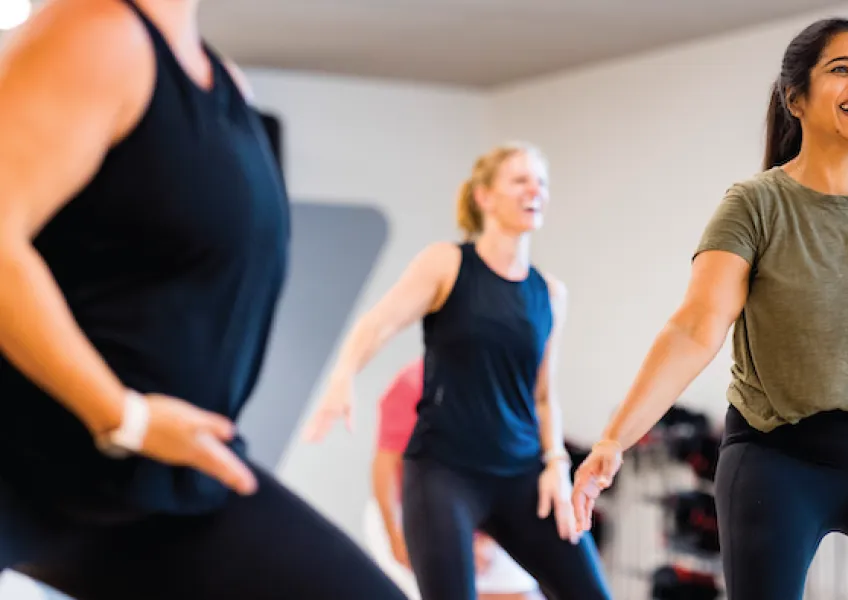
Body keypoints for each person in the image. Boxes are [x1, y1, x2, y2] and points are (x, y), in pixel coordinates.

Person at [569, 17, 848, 600]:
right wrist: (614, 439)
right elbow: (695, 328)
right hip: (776, 458)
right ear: (796, 98)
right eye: (842, 70)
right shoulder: (754, 205)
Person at [0, 1, 407, 598]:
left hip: (157, 483)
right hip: (42, 469)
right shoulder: (96, 34)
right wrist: (120, 414)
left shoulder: (224, 83)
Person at [302, 143, 611, 600]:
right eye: (520, 180)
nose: (535, 191)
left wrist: (556, 464)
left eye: (541, 182)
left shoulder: (550, 294)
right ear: (484, 196)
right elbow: (378, 323)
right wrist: (341, 376)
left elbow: (544, 397)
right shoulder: (446, 264)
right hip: (445, 472)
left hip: (523, 473)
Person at [372, 358, 544, 600]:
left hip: (476, 515)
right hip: (411, 514)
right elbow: (385, 464)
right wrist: (395, 536)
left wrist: (488, 540)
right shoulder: (414, 384)